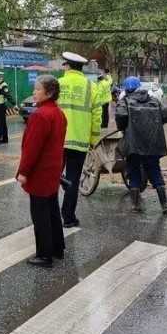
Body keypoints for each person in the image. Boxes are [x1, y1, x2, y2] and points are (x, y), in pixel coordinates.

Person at [16, 75, 67, 268]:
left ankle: (44, 255)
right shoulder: (58, 113)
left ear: (50, 92)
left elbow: (32, 148)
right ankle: (57, 248)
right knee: (52, 210)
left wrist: (23, 172)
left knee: (40, 214)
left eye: (38, 89)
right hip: (53, 169)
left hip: (40, 171)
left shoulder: (40, 115)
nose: (34, 92)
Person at [115, 76, 167, 214]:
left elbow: (121, 117)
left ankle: (136, 205)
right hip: (153, 144)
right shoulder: (154, 101)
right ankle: (164, 204)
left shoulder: (125, 102)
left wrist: (124, 127)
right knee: (155, 171)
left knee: (134, 172)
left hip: (133, 145)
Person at [58, 52, 102, 227]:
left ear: (67, 66)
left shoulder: (57, 84)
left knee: (51, 176)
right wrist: (93, 138)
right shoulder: (91, 87)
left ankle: (50, 215)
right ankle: (68, 218)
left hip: (57, 141)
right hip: (80, 141)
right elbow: (97, 116)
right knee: (73, 179)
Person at [0, 71, 16, 145]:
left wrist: (14, 104)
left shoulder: (3, 86)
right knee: (2, 123)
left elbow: (8, 96)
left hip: (0, 106)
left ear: (0, 78)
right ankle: (5, 139)